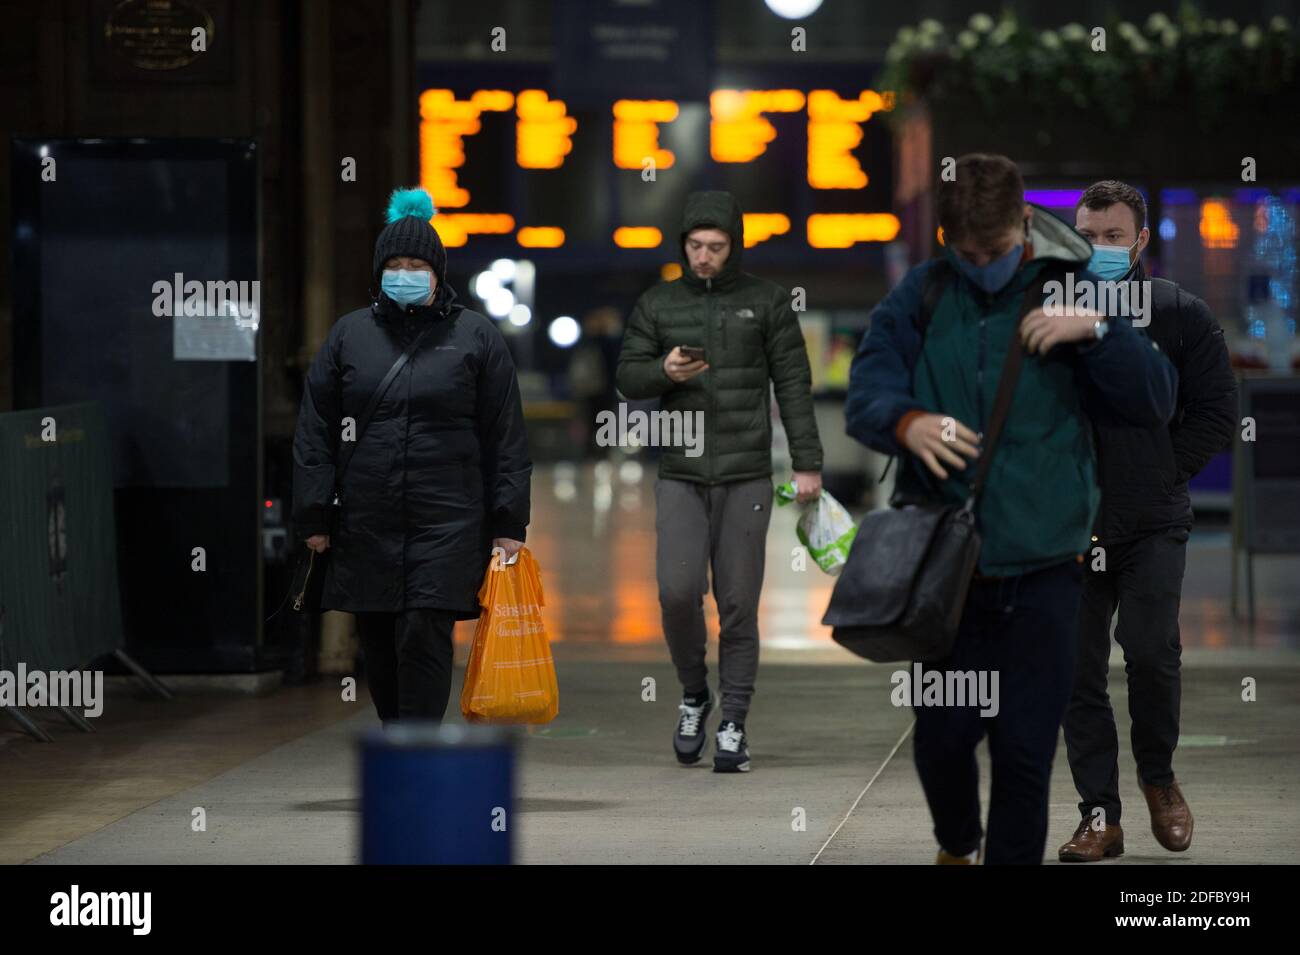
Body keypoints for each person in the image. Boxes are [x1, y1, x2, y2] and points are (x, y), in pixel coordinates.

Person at [845, 154, 1178, 864]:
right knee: (941, 738)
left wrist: (1096, 331)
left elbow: (1155, 397)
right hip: (946, 570)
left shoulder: (1076, 290)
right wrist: (904, 422)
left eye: (993, 252)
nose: (980, 265)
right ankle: (957, 841)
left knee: (1025, 752)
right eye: (964, 253)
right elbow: (866, 392)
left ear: (1024, 225)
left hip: (1048, 567)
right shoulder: (923, 294)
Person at [292, 188, 531, 724]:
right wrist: (313, 513)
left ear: (436, 271)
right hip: (366, 518)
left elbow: (506, 436)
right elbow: (316, 428)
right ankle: (397, 739)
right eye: (394, 264)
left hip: (447, 518)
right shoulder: (349, 336)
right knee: (378, 638)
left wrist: (508, 520)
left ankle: (419, 750)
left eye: (416, 263)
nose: (405, 272)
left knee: (425, 629)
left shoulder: (474, 337)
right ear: (379, 271)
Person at [1058, 181, 1236, 862]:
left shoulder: (1178, 313)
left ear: (1139, 243)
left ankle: (1158, 778)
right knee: (1077, 669)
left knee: (1151, 650)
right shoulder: (1050, 314)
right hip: (1071, 525)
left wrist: (1160, 471)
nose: (1097, 249)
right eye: (1085, 236)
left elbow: (1218, 412)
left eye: (1110, 237)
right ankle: (1099, 815)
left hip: (1152, 519)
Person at [616, 190, 823, 773]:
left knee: (737, 604)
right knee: (677, 593)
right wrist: (663, 371)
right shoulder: (657, 304)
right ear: (682, 246)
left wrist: (807, 463)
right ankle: (693, 694)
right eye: (695, 246)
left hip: (746, 475)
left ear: (734, 246)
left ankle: (733, 720)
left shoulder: (768, 302)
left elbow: (794, 386)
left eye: (716, 246)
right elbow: (628, 377)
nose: (704, 256)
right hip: (680, 473)